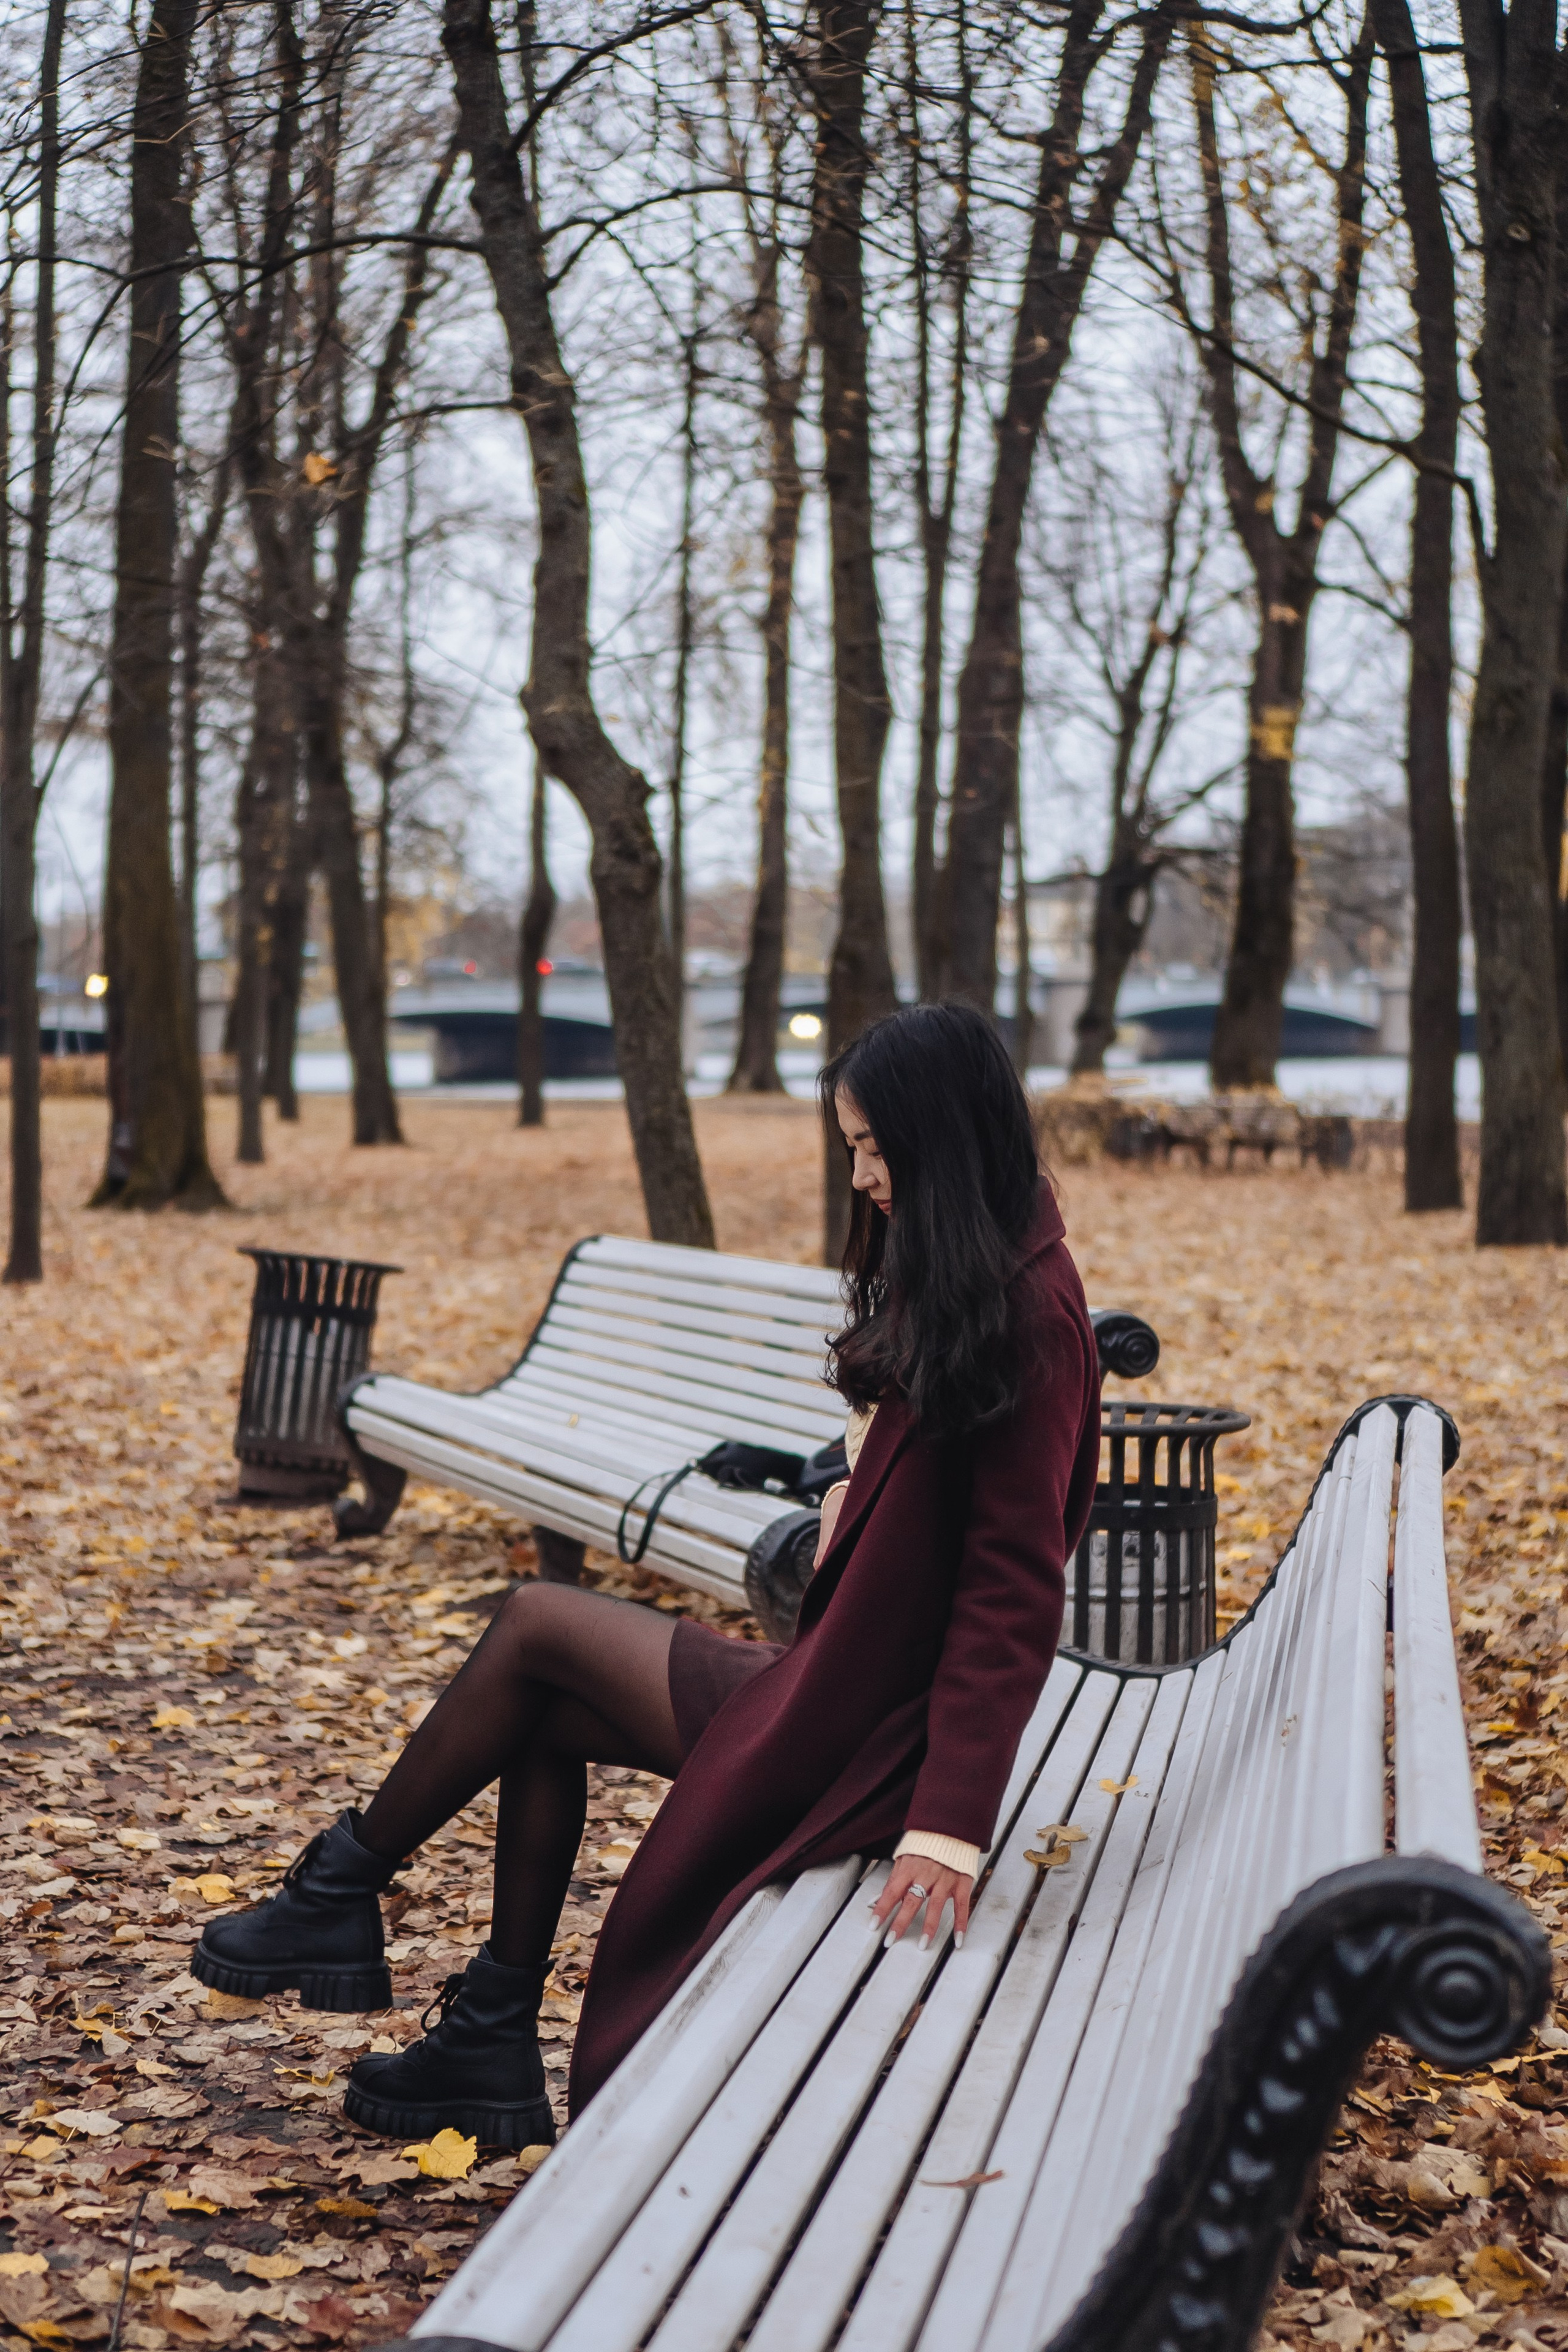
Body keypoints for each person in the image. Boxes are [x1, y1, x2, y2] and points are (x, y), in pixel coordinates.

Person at [190, 1003, 1102, 2147]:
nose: (863, 1175)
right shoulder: (985, 1258)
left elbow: (1014, 1590)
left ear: (944, 1139)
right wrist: (849, 1501)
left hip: (864, 1739)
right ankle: (483, 2028)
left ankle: (341, 1896)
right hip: (838, 1683)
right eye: (854, 1149)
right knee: (539, 1701)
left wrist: (949, 1824)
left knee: (534, 1624)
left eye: (876, 1149)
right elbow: (936, 1472)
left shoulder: (1035, 1313)